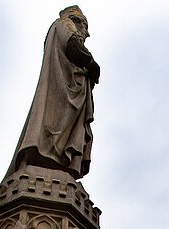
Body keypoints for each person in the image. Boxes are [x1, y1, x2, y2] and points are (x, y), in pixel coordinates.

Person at [6, 6, 99, 180]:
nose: (87, 34)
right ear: (76, 20)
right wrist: (91, 63)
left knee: (66, 127)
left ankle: (59, 158)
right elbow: (72, 47)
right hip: (62, 91)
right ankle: (45, 151)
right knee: (53, 122)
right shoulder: (63, 24)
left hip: (73, 89)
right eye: (85, 26)